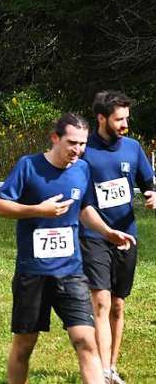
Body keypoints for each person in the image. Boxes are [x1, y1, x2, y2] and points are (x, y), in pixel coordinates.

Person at [0, 113, 135, 384]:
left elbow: (84, 208)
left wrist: (107, 232)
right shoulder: (28, 166)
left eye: (82, 144)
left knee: (86, 341)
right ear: (55, 138)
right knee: (24, 346)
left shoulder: (82, 169)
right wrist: (38, 210)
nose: (78, 150)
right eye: (72, 142)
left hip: (71, 272)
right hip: (33, 273)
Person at [80, 91, 156, 384]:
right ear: (102, 118)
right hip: (94, 234)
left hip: (126, 236)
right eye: (119, 119)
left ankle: (111, 368)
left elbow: (148, 181)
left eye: (126, 118)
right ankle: (98, 372)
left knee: (118, 304)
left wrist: (152, 194)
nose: (125, 124)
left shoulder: (134, 148)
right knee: (101, 303)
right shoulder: (85, 150)